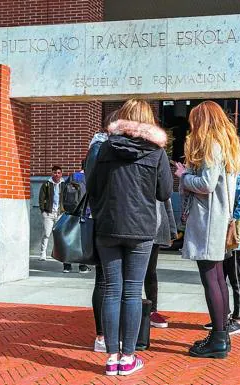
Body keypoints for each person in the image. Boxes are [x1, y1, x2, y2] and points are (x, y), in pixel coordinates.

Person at [87, 99, 172, 376]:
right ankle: (127, 358)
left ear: (122, 119)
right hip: (141, 229)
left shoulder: (104, 147)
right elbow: (164, 193)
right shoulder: (156, 152)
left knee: (112, 290)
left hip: (108, 227)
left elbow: (93, 186)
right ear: (148, 121)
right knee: (133, 292)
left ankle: (111, 357)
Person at [173, 100, 240, 359]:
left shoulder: (212, 145)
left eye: (194, 120)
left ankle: (218, 340)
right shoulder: (226, 145)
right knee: (218, 278)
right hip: (218, 220)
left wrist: (183, 176)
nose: (192, 126)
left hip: (209, 221)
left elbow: (206, 183)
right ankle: (220, 336)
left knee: (211, 278)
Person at [204, 150, 240, 335]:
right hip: (231, 238)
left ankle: (238, 319)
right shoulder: (236, 173)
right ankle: (223, 317)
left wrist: (229, 222)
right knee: (224, 276)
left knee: (236, 279)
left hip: (238, 239)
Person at [85, 109, 117, 353]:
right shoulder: (101, 147)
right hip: (104, 218)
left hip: (106, 217)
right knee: (105, 280)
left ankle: (105, 334)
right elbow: (95, 185)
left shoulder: (100, 145)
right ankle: (102, 336)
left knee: (107, 281)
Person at [145, 198, 178, 328]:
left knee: (150, 272)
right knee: (142, 274)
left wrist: (171, 229)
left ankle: (152, 310)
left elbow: (165, 196)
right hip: (137, 224)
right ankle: (144, 310)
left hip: (154, 226)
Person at [62, 163, 91, 274]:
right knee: (82, 239)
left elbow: (64, 191)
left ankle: (67, 266)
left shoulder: (73, 175)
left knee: (68, 237)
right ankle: (82, 266)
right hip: (85, 212)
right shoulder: (90, 177)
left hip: (70, 210)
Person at [38, 165, 65, 262]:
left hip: (60, 213)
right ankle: (42, 253)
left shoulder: (64, 184)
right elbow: (41, 198)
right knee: (46, 234)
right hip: (48, 214)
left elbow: (66, 198)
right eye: (55, 172)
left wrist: (64, 210)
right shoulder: (46, 184)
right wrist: (43, 211)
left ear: (61, 174)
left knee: (59, 235)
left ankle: (59, 254)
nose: (57, 174)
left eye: (58, 173)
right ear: (52, 173)